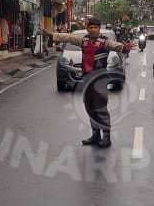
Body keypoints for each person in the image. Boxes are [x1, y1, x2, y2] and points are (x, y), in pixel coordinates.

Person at [45, 18, 128, 148]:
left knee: (100, 108)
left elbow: (116, 46)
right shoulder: (83, 40)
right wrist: (52, 35)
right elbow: (68, 37)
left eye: (96, 27)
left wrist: (124, 48)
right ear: (88, 28)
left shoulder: (105, 42)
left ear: (99, 29)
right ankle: (96, 135)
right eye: (91, 27)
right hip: (87, 79)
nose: (93, 29)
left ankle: (106, 137)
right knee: (89, 107)